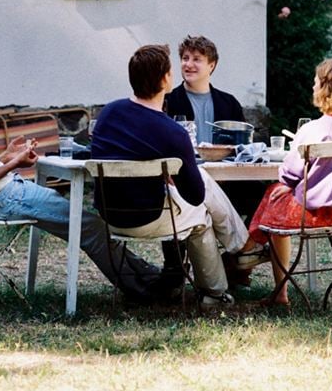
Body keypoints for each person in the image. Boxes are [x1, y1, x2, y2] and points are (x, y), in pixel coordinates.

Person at [0, 40, 170, 304]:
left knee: (89, 225)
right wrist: (17, 162)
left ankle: (152, 277)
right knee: (90, 226)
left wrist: (6, 156)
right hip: (1, 199)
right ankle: (146, 291)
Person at [90, 44, 256, 309]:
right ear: (165, 79)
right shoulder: (172, 131)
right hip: (150, 216)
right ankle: (218, 289)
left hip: (110, 215)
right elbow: (195, 195)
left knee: (198, 187)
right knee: (201, 214)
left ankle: (241, 249)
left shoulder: (108, 113)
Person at [240, 58, 332, 307]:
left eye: (315, 82)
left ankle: (247, 254)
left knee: (274, 194)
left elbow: (290, 169)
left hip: (310, 214)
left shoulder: (314, 129)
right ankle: (247, 252)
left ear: (325, 88)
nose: (312, 87)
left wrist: (287, 182)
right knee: (275, 196)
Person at [164, 34, 267, 283]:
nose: (188, 64)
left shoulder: (228, 102)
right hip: (187, 181)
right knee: (170, 197)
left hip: (228, 180)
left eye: (197, 59)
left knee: (263, 195)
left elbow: (244, 147)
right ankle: (175, 268)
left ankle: (237, 264)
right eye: (185, 58)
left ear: (212, 65)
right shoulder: (170, 100)